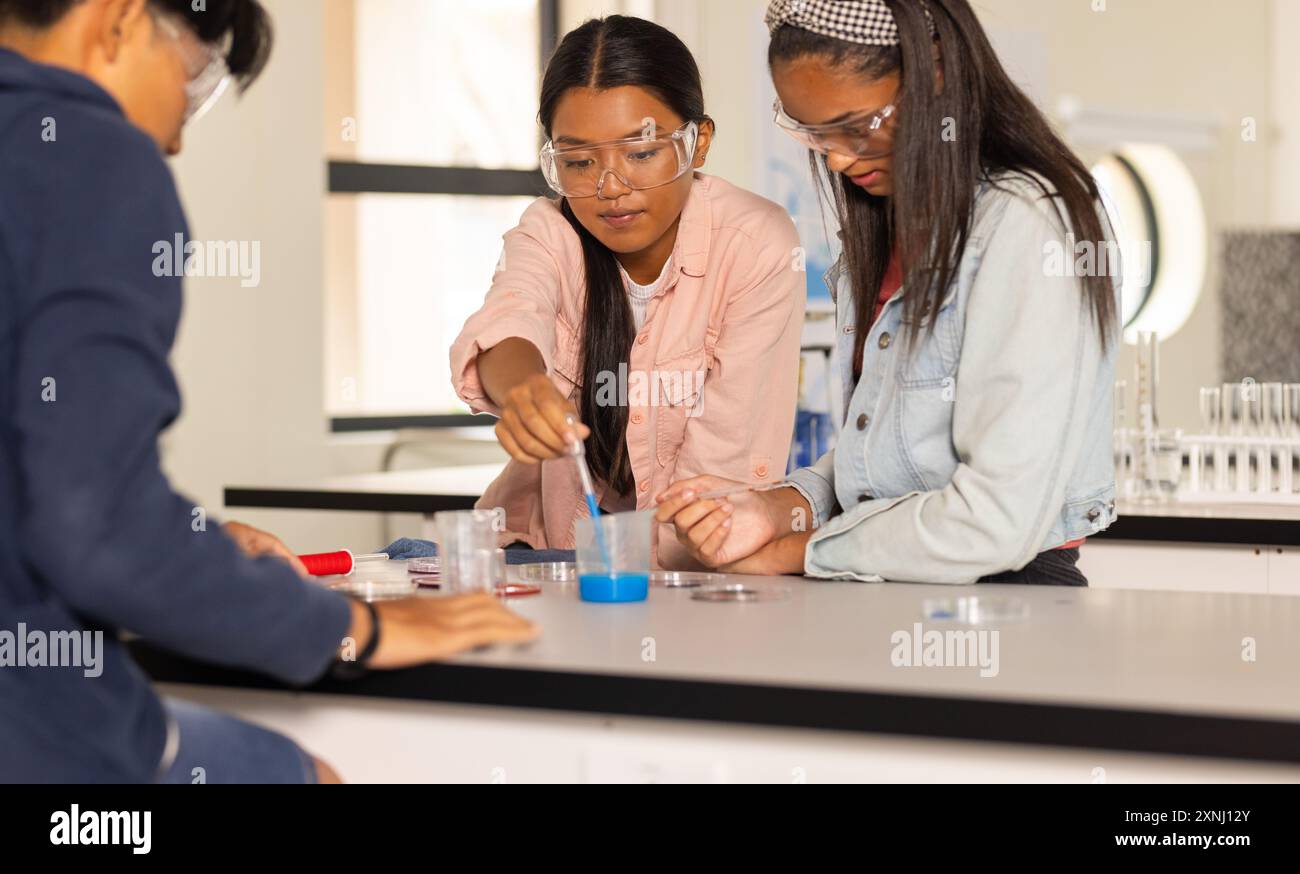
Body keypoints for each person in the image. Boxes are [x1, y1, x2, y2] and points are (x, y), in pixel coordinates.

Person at [0, 0, 537, 784]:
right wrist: (353, 628)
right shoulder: (90, 154)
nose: (176, 137)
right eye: (191, 85)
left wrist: (193, 548)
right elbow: (95, 528)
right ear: (116, 20)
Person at [657, 0, 1121, 586]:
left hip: (1007, 603)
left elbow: (996, 520)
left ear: (936, 74)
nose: (838, 158)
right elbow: (895, 454)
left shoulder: (1031, 223)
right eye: (815, 133)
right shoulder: (890, 219)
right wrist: (780, 507)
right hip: (885, 590)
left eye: (856, 126)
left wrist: (799, 551)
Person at [450, 15, 806, 568]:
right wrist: (522, 392)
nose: (609, 189)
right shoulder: (550, 230)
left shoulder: (755, 244)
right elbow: (512, 317)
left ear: (698, 142)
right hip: (544, 558)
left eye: (640, 154)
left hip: (691, 568)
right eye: (578, 161)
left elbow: (716, 487)